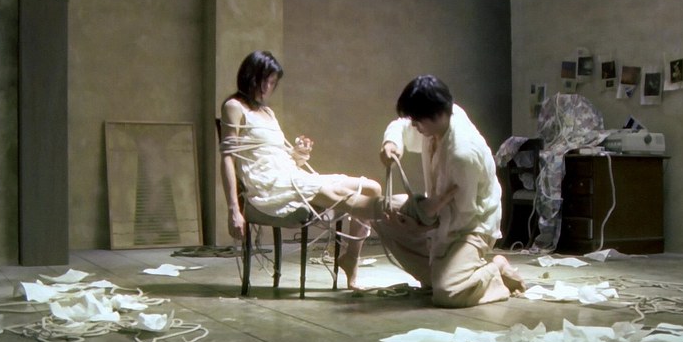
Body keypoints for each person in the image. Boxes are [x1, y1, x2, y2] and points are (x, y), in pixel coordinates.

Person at [219, 51, 382, 288]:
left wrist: (297, 154)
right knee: (338, 195)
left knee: (372, 188)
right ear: (249, 76)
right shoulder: (233, 106)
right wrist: (233, 209)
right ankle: (396, 212)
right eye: (264, 80)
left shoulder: (268, 112)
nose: (267, 87)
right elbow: (227, 159)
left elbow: (277, 157)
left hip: (290, 176)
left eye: (272, 82)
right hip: (268, 185)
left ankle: (351, 257)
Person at [377, 75, 526, 308]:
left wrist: (422, 227)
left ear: (436, 115)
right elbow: (402, 125)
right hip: (442, 214)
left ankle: (494, 270)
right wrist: (391, 143)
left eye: (417, 121)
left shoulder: (462, 154)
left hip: (470, 226)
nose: (414, 126)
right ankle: (446, 274)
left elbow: (461, 216)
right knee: (381, 213)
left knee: (448, 293)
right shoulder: (439, 120)